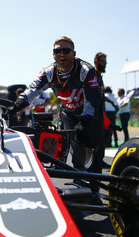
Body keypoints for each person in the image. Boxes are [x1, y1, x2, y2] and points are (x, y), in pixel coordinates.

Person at [11, 37, 104, 170]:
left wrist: (85, 120)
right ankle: (78, 180)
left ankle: (94, 185)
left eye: (66, 51)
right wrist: (15, 106)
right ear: (53, 54)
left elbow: (93, 99)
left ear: (74, 53)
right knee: (75, 148)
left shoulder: (86, 70)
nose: (61, 54)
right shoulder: (48, 72)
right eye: (57, 51)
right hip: (68, 112)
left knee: (94, 151)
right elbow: (31, 90)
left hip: (90, 113)